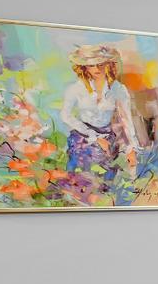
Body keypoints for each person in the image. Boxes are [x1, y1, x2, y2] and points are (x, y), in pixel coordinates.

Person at [59, 42, 148, 201]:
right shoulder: (75, 89)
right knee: (80, 183)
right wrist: (93, 136)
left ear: (108, 64)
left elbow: (126, 120)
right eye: (91, 65)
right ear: (84, 67)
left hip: (108, 139)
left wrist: (131, 148)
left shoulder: (118, 89)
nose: (97, 69)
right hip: (82, 137)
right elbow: (66, 115)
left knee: (105, 186)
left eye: (100, 64)